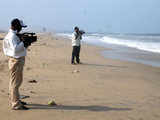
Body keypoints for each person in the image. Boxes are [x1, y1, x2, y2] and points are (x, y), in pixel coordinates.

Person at [3, 18, 30, 110]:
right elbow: (15, 49)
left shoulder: (12, 35)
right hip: (16, 61)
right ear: (16, 26)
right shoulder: (12, 36)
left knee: (15, 82)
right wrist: (24, 43)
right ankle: (16, 104)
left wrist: (25, 43)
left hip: (14, 60)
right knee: (15, 83)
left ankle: (15, 99)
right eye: (20, 27)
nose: (21, 29)